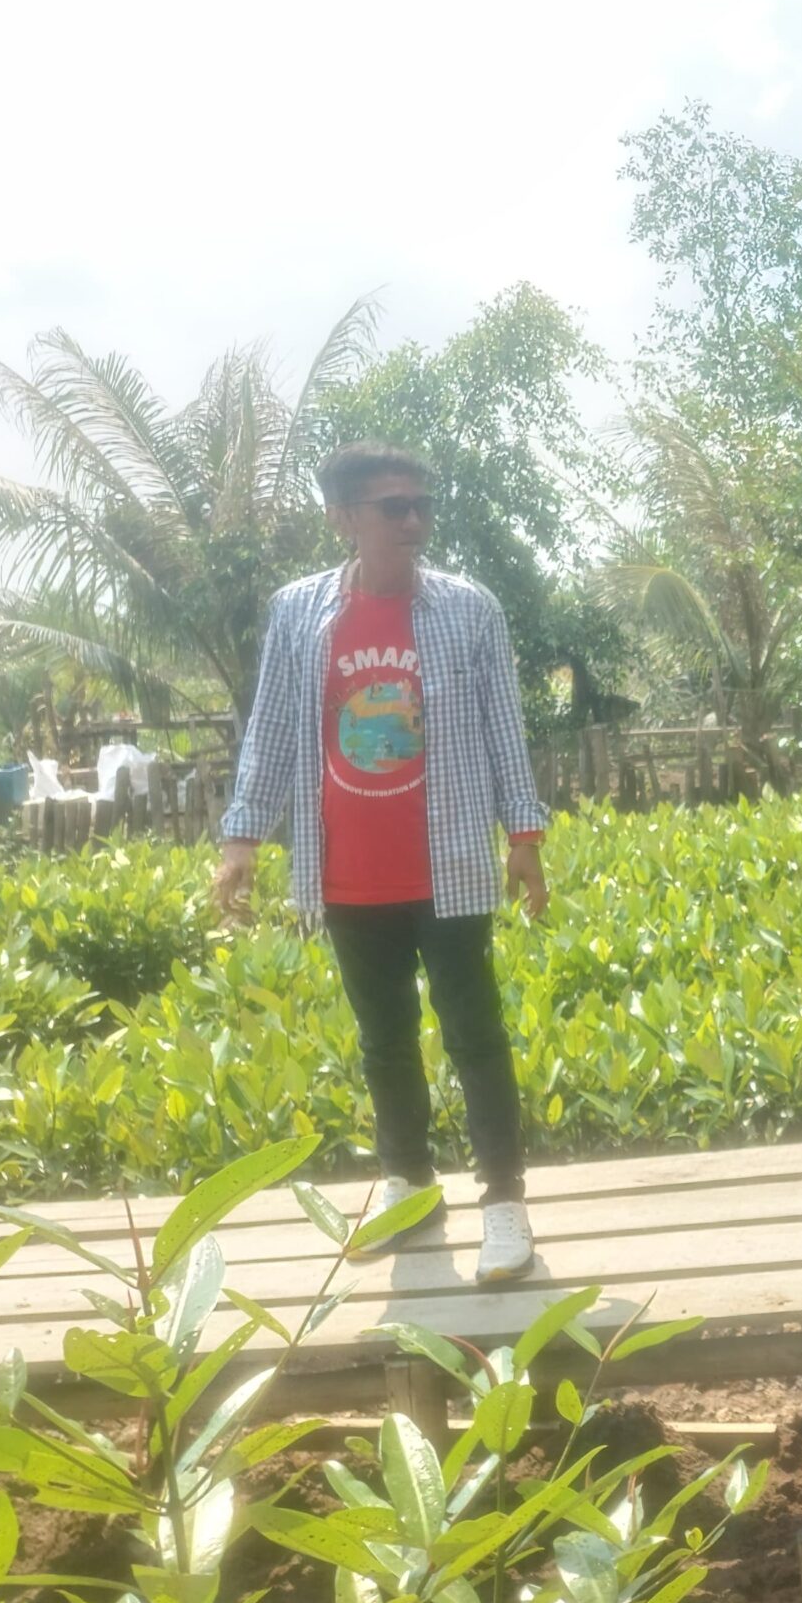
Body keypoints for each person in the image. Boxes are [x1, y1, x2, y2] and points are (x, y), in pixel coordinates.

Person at [215, 442, 549, 1284]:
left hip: (449, 863)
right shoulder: (299, 612)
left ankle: (503, 1202)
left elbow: (504, 726)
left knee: (475, 1034)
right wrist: (241, 838)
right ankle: (410, 1188)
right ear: (343, 518)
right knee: (385, 1038)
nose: (414, 521)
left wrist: (525, 837)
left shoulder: (468, 608)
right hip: (348, 869)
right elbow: (272, 728)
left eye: (422, 505)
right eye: (394, 507)